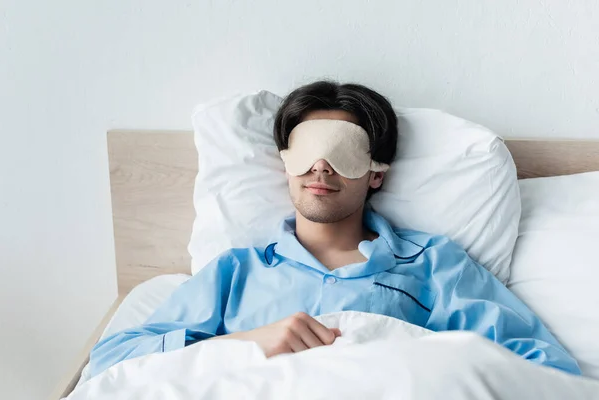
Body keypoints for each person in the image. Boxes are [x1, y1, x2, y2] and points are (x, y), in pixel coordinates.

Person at [89, 81, 581, 378]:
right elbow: (113, 362)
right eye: (305, 151)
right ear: (285, 166)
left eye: (342, 152)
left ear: (376, 173)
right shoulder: (237, 272)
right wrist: (248, 342)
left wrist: (420, 361)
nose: (320, 167)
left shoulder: (435, 265)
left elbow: (544, 368)